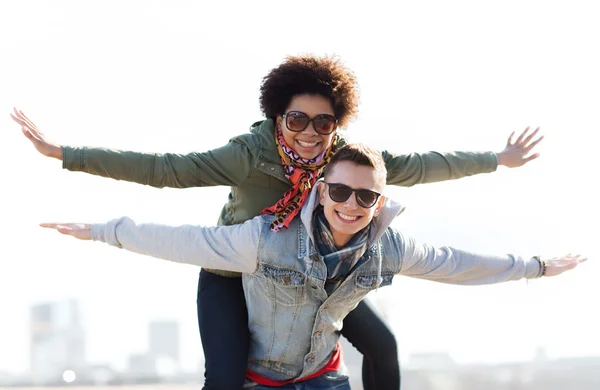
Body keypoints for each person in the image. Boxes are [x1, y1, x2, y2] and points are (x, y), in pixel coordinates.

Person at [13, 54, 543, 390]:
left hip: (311, 271)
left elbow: (420, 166)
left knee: (383, 347)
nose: (310, 133)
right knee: (224, 377)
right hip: (236, 268)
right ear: (277, 118)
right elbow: (164, 170)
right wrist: (64, 153)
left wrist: (497, 159)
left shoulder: (345, 161)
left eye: (323, 121)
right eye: (296, 120)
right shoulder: (248, 154)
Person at [41, 143, 584, 389]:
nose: (352, 204)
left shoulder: (386, 248)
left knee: (383, 346)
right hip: (259, 381)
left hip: (324, 380)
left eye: (365, 198)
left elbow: (457, 264)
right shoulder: (265, 239)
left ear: (379, 201)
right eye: (341, 192)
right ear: (321, 191)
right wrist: (102, 231)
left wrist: (535, 265)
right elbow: (184, 240)